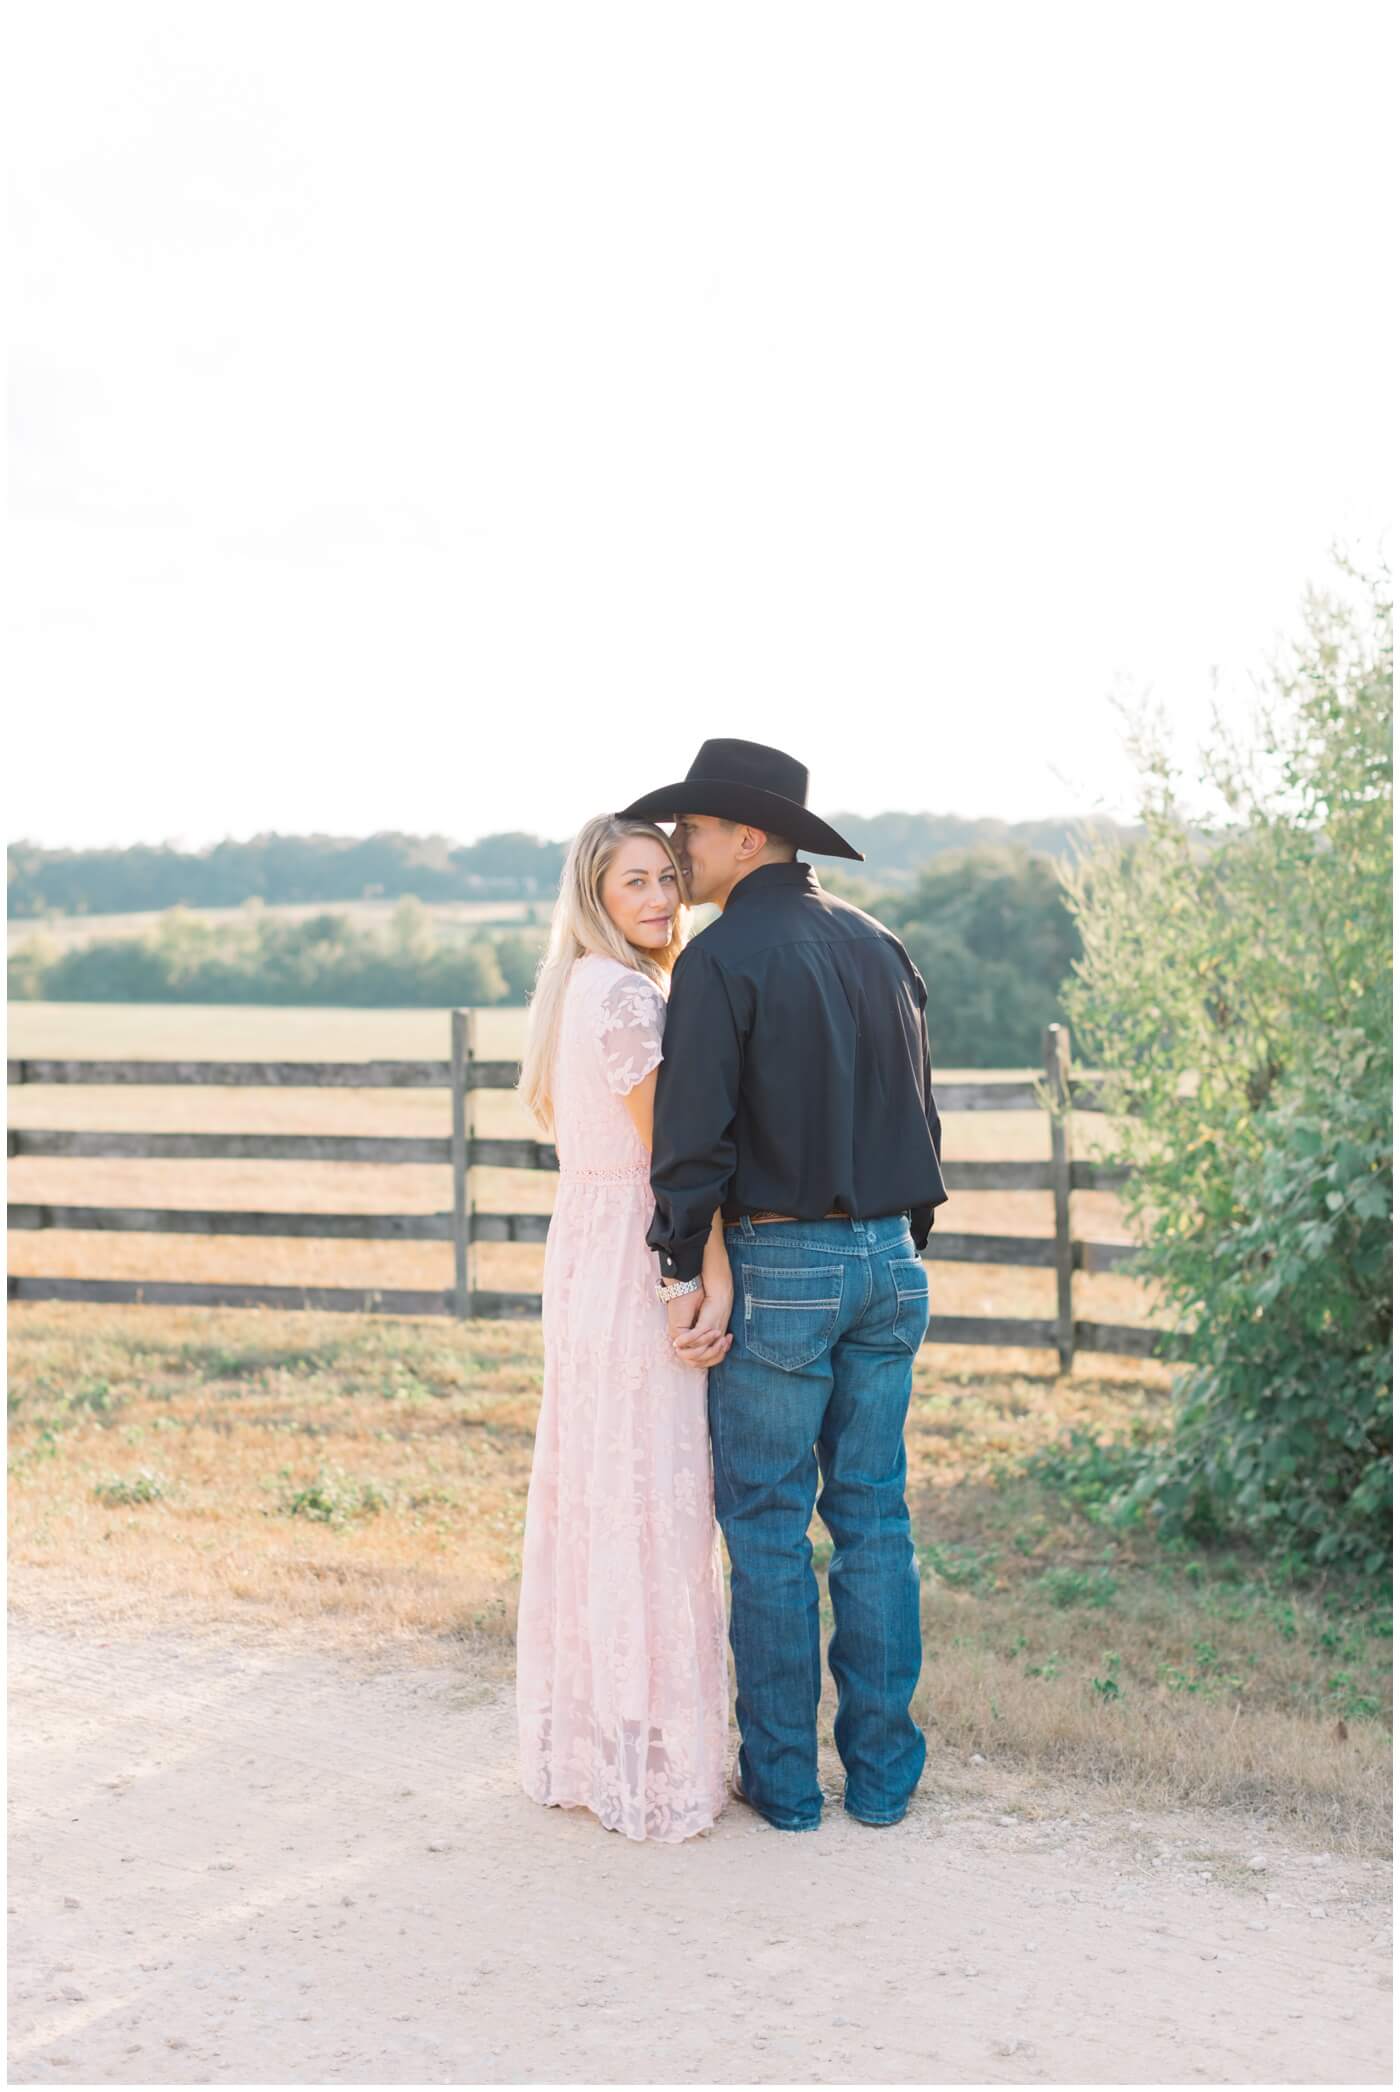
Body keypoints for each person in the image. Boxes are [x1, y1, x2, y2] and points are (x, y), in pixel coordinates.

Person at [617, 738, 949, 1833]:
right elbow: (922, 1116)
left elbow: (690, 1138)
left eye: (694, 832)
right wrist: (897, 1246)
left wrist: (677, 1264)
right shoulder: (878, 943)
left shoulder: (722, 958)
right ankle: (885, 1779)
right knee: (873, 1518)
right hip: (889, 1264)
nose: (679, 848)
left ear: (747, 838)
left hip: (783, 1264)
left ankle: (786, 1783)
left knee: (765, 1525)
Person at [514, 813, 732, 1842]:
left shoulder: (574, 986)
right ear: (595, 897)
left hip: (586, 1248)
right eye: (634, 883)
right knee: (651, 1486)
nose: (658, 900)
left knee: (605, 1484)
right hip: (633, 1252)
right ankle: (649, 1755)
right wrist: (701, 1271)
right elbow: (672, 1157)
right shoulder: (625, 995)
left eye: (666, 880)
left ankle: (597, 1745)